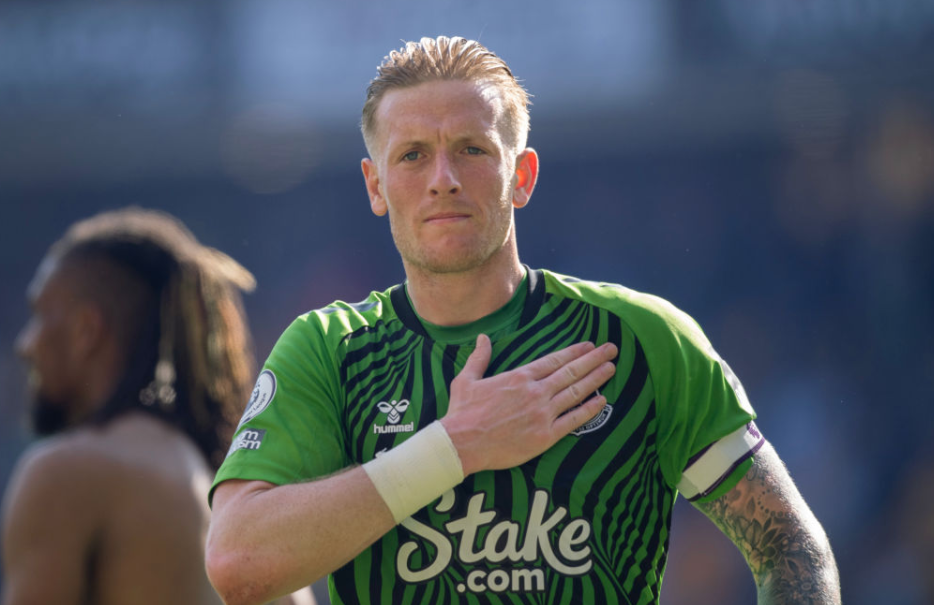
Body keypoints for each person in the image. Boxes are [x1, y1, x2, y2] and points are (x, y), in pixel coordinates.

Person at [206, 36, 841, 605]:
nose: (443, 179)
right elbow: (237, 565)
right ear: (375, 187)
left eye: (471, 149)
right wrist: (454, 447)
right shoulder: (328, 349)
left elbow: (788, 545)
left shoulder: (644, 340)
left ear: (522, 175)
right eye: (413, 156)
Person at [2, 208, 315, 605]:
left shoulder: (64, 473)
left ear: (85, 331)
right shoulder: (242, 498)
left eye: (39, 316)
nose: (25, 346)